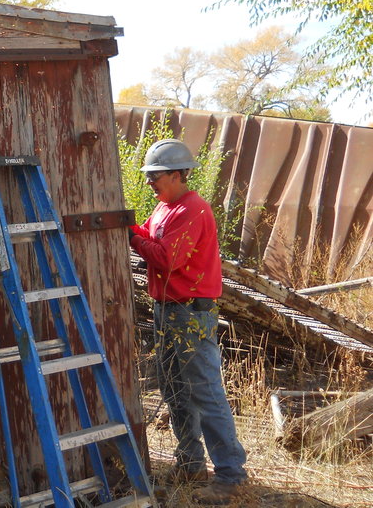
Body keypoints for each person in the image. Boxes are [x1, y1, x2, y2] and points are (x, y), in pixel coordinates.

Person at [128, 138, 248, 506]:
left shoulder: (191, 209)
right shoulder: (165, 208)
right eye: (148, 176)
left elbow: (165, 259)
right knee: (173, 386)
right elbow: (148, 235)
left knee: (205, 391)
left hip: (191, 312)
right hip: (169, 309)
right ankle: (191, 462)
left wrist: (128, 235)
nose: (150, 182)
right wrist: (131, 226)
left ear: (178, 174)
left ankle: (231, 475)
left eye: (156, 176)